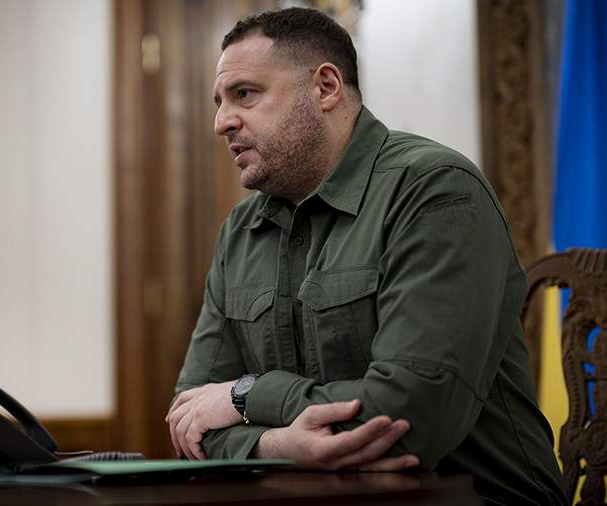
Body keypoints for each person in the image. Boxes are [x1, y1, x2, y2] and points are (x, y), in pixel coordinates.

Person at [165, 7, 566, 505]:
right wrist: (282, 446)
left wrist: (245, 395)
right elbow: (190, 419)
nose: (221, 122)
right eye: (220, 102)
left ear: (326, 87)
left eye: (244, 94)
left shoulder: (434, 192)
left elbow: (407, 417)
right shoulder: (240, 231)